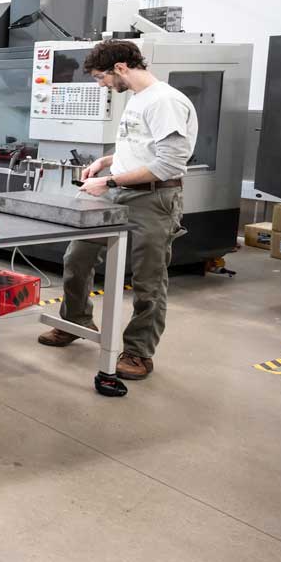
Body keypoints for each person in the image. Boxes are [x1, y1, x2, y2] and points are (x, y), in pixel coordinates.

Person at [37, 40, 195, 380]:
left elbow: (168, 164)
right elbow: (141, 147)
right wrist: (105, 162)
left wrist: (108, 182)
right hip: (119, 192)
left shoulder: (164, 101)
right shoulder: (138, 99)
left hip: (153, 200)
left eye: (100, 77)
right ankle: (75, 321)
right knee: (77, 257)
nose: (101, 84)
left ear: (120, 68)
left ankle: (138, 353)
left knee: (148, 280)